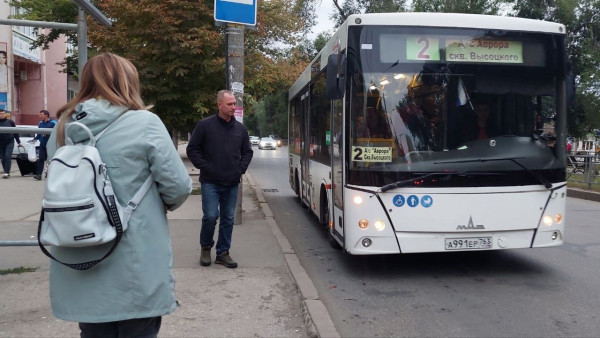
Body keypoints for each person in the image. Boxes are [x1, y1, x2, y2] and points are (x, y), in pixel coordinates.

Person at [45, 53, 192, 337]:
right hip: (134, 254)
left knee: (92, 329)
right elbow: (178, 186)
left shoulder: (62, 127)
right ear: (128, 82)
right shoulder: (145, 123)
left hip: (77, 251)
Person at [186, 90, 254, 268]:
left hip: (232, 182)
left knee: (228, 218)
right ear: (219, 105)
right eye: (230, 104)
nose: (234, 107)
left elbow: (247, 152)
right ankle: (206, 248)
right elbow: (192, 149)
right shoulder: (205, 126)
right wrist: (206, 167)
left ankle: (223, 252)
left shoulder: (240, 129)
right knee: (210, 216)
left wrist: (240, 169)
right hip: (210, 182)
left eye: (234, 104)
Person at [32, 110, 56, 180]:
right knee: (41, 159)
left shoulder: (53, 123)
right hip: (42, 144)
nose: (39, 116)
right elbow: (39, 133)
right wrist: (35, 138)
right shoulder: (41, 123)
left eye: (41, 114)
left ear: (46, 115)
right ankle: (39, 175)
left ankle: (50, 174)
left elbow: (56, 132)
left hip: (51, 144)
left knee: (51, 160)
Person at [0, 108, 22, 178]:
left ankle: (7, 172)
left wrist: (19, 142)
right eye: (0, 114)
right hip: (1, 143)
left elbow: (15, 132)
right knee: (3, 158)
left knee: (7, 156)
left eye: (3, 113)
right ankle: (5, 170)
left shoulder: (10, 122)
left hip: (10, 142)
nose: (2, 115)